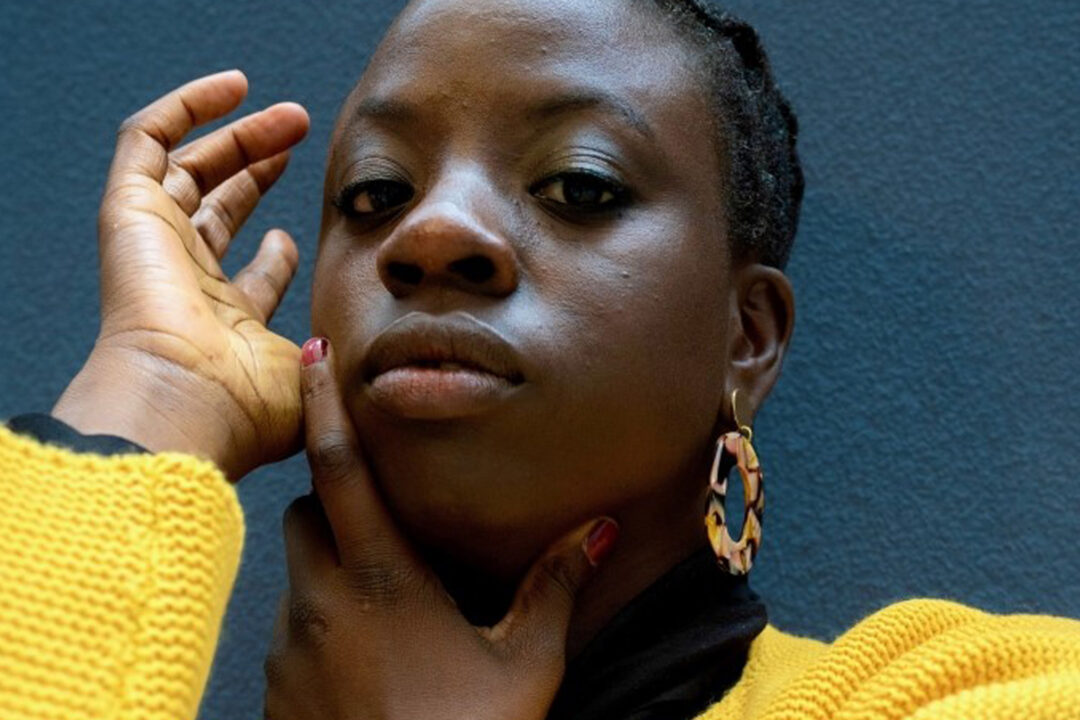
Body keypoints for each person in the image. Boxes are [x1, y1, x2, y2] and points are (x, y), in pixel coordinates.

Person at [2, 0, 1078, 718]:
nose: (431, 235)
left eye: (580, 185)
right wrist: (152, 392)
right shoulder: (123, 676)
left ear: (744, 338)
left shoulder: (965, 692)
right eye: (377, 194)